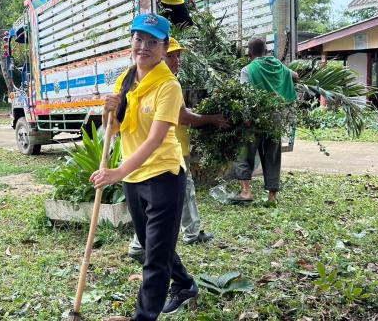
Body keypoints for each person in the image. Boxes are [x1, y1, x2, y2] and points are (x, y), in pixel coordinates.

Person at [91, 13, 197, 321]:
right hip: (134, 177)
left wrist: (117, 172)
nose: (144, 47)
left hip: (164, 175)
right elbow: (116, 127)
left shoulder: (169, 86)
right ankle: (186, 284)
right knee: (154, 245)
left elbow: (154, 140)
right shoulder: (125, 80)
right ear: (132, 42)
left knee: (153, 258)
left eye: (152, 42)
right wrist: (106, 113)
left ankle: (143, 317)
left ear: (164, 47)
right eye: (139, 39)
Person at [127, 37, 228, 263]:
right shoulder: (164, 83)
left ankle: (154, 242)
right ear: (159, 55)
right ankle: (148, 243)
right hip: (168, 152)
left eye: (178, 56)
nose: (177, 61)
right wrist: (210, 118)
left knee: (164, 203)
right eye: (171, 55)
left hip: (163, 151)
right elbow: (181, 116)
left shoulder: (158, 81)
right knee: (174, 198)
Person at [231, 37, 298, 203]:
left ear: (250, 53)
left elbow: (246, 95)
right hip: (274, 117)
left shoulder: (247, 69)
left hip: (254, 117)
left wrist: (246, 117)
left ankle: (246, 192)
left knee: (245, 152)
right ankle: (272, 196)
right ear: (266, 51)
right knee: (272, 154)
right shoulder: (276, 65)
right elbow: (295, 75)